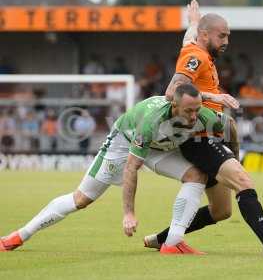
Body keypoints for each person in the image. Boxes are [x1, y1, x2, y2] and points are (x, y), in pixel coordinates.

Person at [147, 0, 263, 258]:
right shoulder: (196, 57)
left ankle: (159, 239)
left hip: (213, 135)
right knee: (243, 181)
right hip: (198, 138)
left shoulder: (197, 50)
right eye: (222, 35)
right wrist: (214, 97)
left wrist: (193, 23)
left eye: (228, 35)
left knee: (221, 211)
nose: (227, 40)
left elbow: (188, 41)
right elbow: (172, 91)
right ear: (205, 36)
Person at [0, 85, 218, 254]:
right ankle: (20, 235)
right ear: (174, 106)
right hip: (123, 143)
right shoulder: (151, 122)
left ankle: (173, 243)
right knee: (81, 199)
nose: (193, 116)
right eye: (189, 111)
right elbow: (132, 167)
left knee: (196, 175)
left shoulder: (201, 115)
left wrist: (233, 164)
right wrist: (129, 213)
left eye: (196, 110)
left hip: (155, 147)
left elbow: (229, 127)